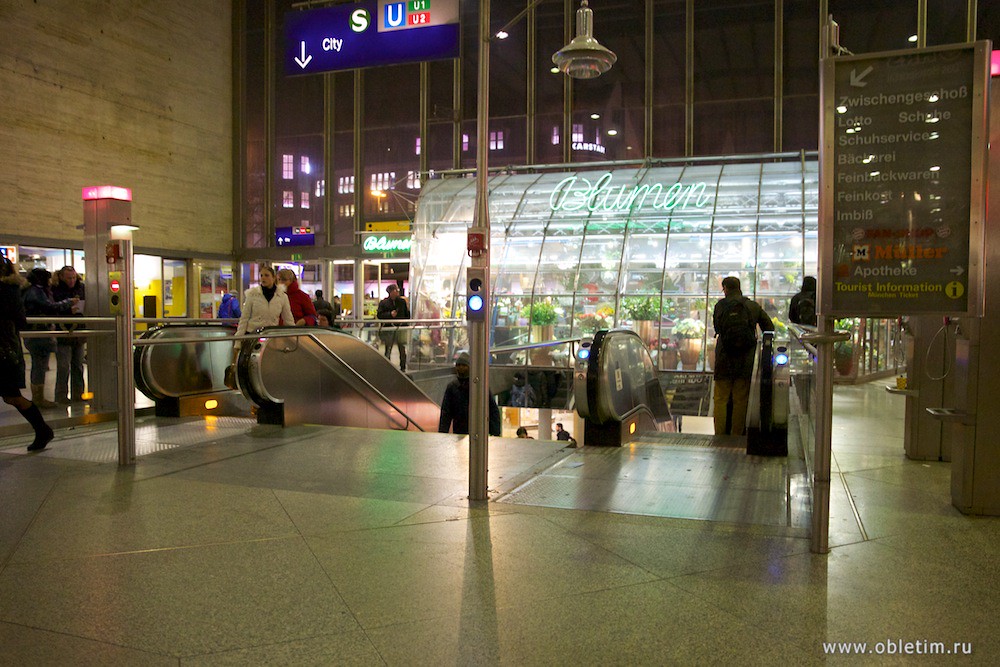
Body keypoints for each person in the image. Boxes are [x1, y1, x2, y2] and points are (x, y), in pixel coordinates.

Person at [1, 257, 54, 451]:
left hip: (5, 351)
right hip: (6, 350)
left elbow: (19, 319)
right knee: (11, 396)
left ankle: (42, 430)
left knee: (12, 396)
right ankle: (42, 430)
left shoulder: (8, 291)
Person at [712, 276, 774, 436]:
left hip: (724, 357)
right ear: (739, 288)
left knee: (720, 399)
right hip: (745, 358)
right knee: (740, 399)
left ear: (725, 288)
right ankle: (736, 435)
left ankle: (719, 435)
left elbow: (717, 328)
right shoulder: (751, 306)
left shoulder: (720, 306)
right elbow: (769, 326)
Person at [22, 268, 77, 408]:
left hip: (35, 334)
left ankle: (38, 398)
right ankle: (38, 399)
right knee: (40, 365)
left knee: (38, 366)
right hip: (39, 335)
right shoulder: (37, 292)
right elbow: (49, 307)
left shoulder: (29, 290)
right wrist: (68, 302)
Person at [438, 352, 501, 436]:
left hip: (477, 431)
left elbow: (492, 409)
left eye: (464, 365)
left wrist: (495, 431)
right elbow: (446, 413)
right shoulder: (452, 387)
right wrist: (442, 432)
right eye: (458, 365)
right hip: (459, 431)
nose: (460, 368)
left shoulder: (479, 386)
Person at [50, 266, 87, 404]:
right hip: (63, 330)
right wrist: (67, 309)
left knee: (78, 365)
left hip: (78, 329)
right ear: (61, 277)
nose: (71, 281)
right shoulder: (55, 289)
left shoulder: (81, 288)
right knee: (63, 366)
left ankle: (79, 394)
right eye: (68, 278)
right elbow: (53, 308)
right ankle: (61, 396)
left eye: (73, 277)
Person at [235, 265, 295, 337]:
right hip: (253, 335)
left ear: (273, 278)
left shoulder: (282, 296)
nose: (263, 278)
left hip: (272, 336)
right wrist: (238, 341)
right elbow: (244, 318)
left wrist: (294, 337)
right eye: (261, 275)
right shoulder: (252, 294)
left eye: (267, 275)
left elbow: (288, 319)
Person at [377, 284, 409, 371]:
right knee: (388, 348)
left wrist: (406, 325)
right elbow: (379, 315)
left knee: (402, 348)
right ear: (390, 292)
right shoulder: (384, 303)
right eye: (395, 290)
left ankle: (403, 366)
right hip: (389, 328)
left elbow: (407, 314)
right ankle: (387, 367)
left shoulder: (402, 302)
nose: (397, 292)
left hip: (401, 328)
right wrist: (390, 314)